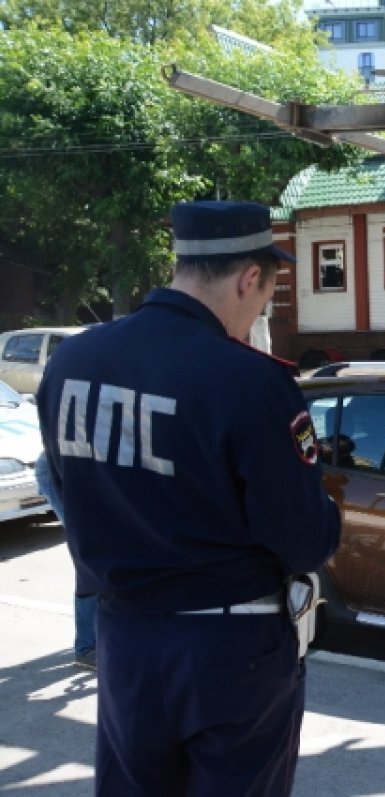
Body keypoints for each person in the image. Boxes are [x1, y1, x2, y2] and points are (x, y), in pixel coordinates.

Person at [36, 200, 342, 795]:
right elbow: (305, 540)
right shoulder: (251, 381)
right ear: (248, 278)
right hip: (231, 650)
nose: (260, 310)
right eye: (266, 296)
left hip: (124, 637)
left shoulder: (73, 361)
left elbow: (72, 489)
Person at [34, 451, 98, 670]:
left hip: (87, 473)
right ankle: (86, 647)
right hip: (59, 471)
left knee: (98, 556)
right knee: (90, 560)